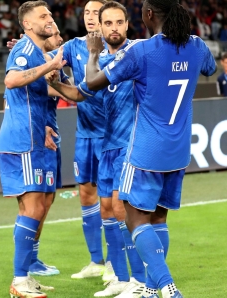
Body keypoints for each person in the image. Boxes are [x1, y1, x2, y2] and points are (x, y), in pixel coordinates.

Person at [78, 0, 216, 297]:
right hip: (178, 151)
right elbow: (210, 67)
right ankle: (152, 290)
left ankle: (167, 285)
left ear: (149, 15)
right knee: (158, 219)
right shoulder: (196, 45)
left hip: (145, 150)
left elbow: (91, 82)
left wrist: (92, 51)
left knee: (135, 219)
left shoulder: (141, 51)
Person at [7, 0, 113, 281]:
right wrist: (22, 46)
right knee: (87, 196)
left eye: (97, 13)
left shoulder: (122, 47)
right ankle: (97, 262)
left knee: (112, 202)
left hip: (115, 134)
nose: (90, 17)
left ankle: (116, 265)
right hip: (86, 133)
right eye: (87, 12)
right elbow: (37, 61)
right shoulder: (73, 47)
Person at [48, 2, 146, 297]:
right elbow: (81, 92)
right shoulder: (99, 58)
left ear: (127, 24)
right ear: (99, 26)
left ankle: (138, 280)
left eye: (118, 22)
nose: (112, 27)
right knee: (106, 208)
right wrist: (57, 84)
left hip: (128, 144)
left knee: (122, 210)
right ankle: (119, 275)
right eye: (107, 22)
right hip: (106, 145)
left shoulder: (138, 52)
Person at [0, 1, 65, 297]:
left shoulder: (36, 52)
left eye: (50, 14)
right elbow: (11, 80)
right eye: (43, 16)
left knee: (36, 207)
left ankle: (24, 276)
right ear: (27, 24)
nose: (49, 19)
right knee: (33, 207)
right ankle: (20, 279)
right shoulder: (26, 51)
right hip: (24, 141)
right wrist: (50, 65)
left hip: (36, 138)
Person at [25, 20, 69, 278]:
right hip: (40, 138)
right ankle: (27, 261)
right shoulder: (32, 62)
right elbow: (24, 96)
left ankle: (33, 257)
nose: (60, 39)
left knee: (48, 199)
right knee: (36, 202)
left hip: (53, 134)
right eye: (56, 35)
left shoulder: (52, 64)